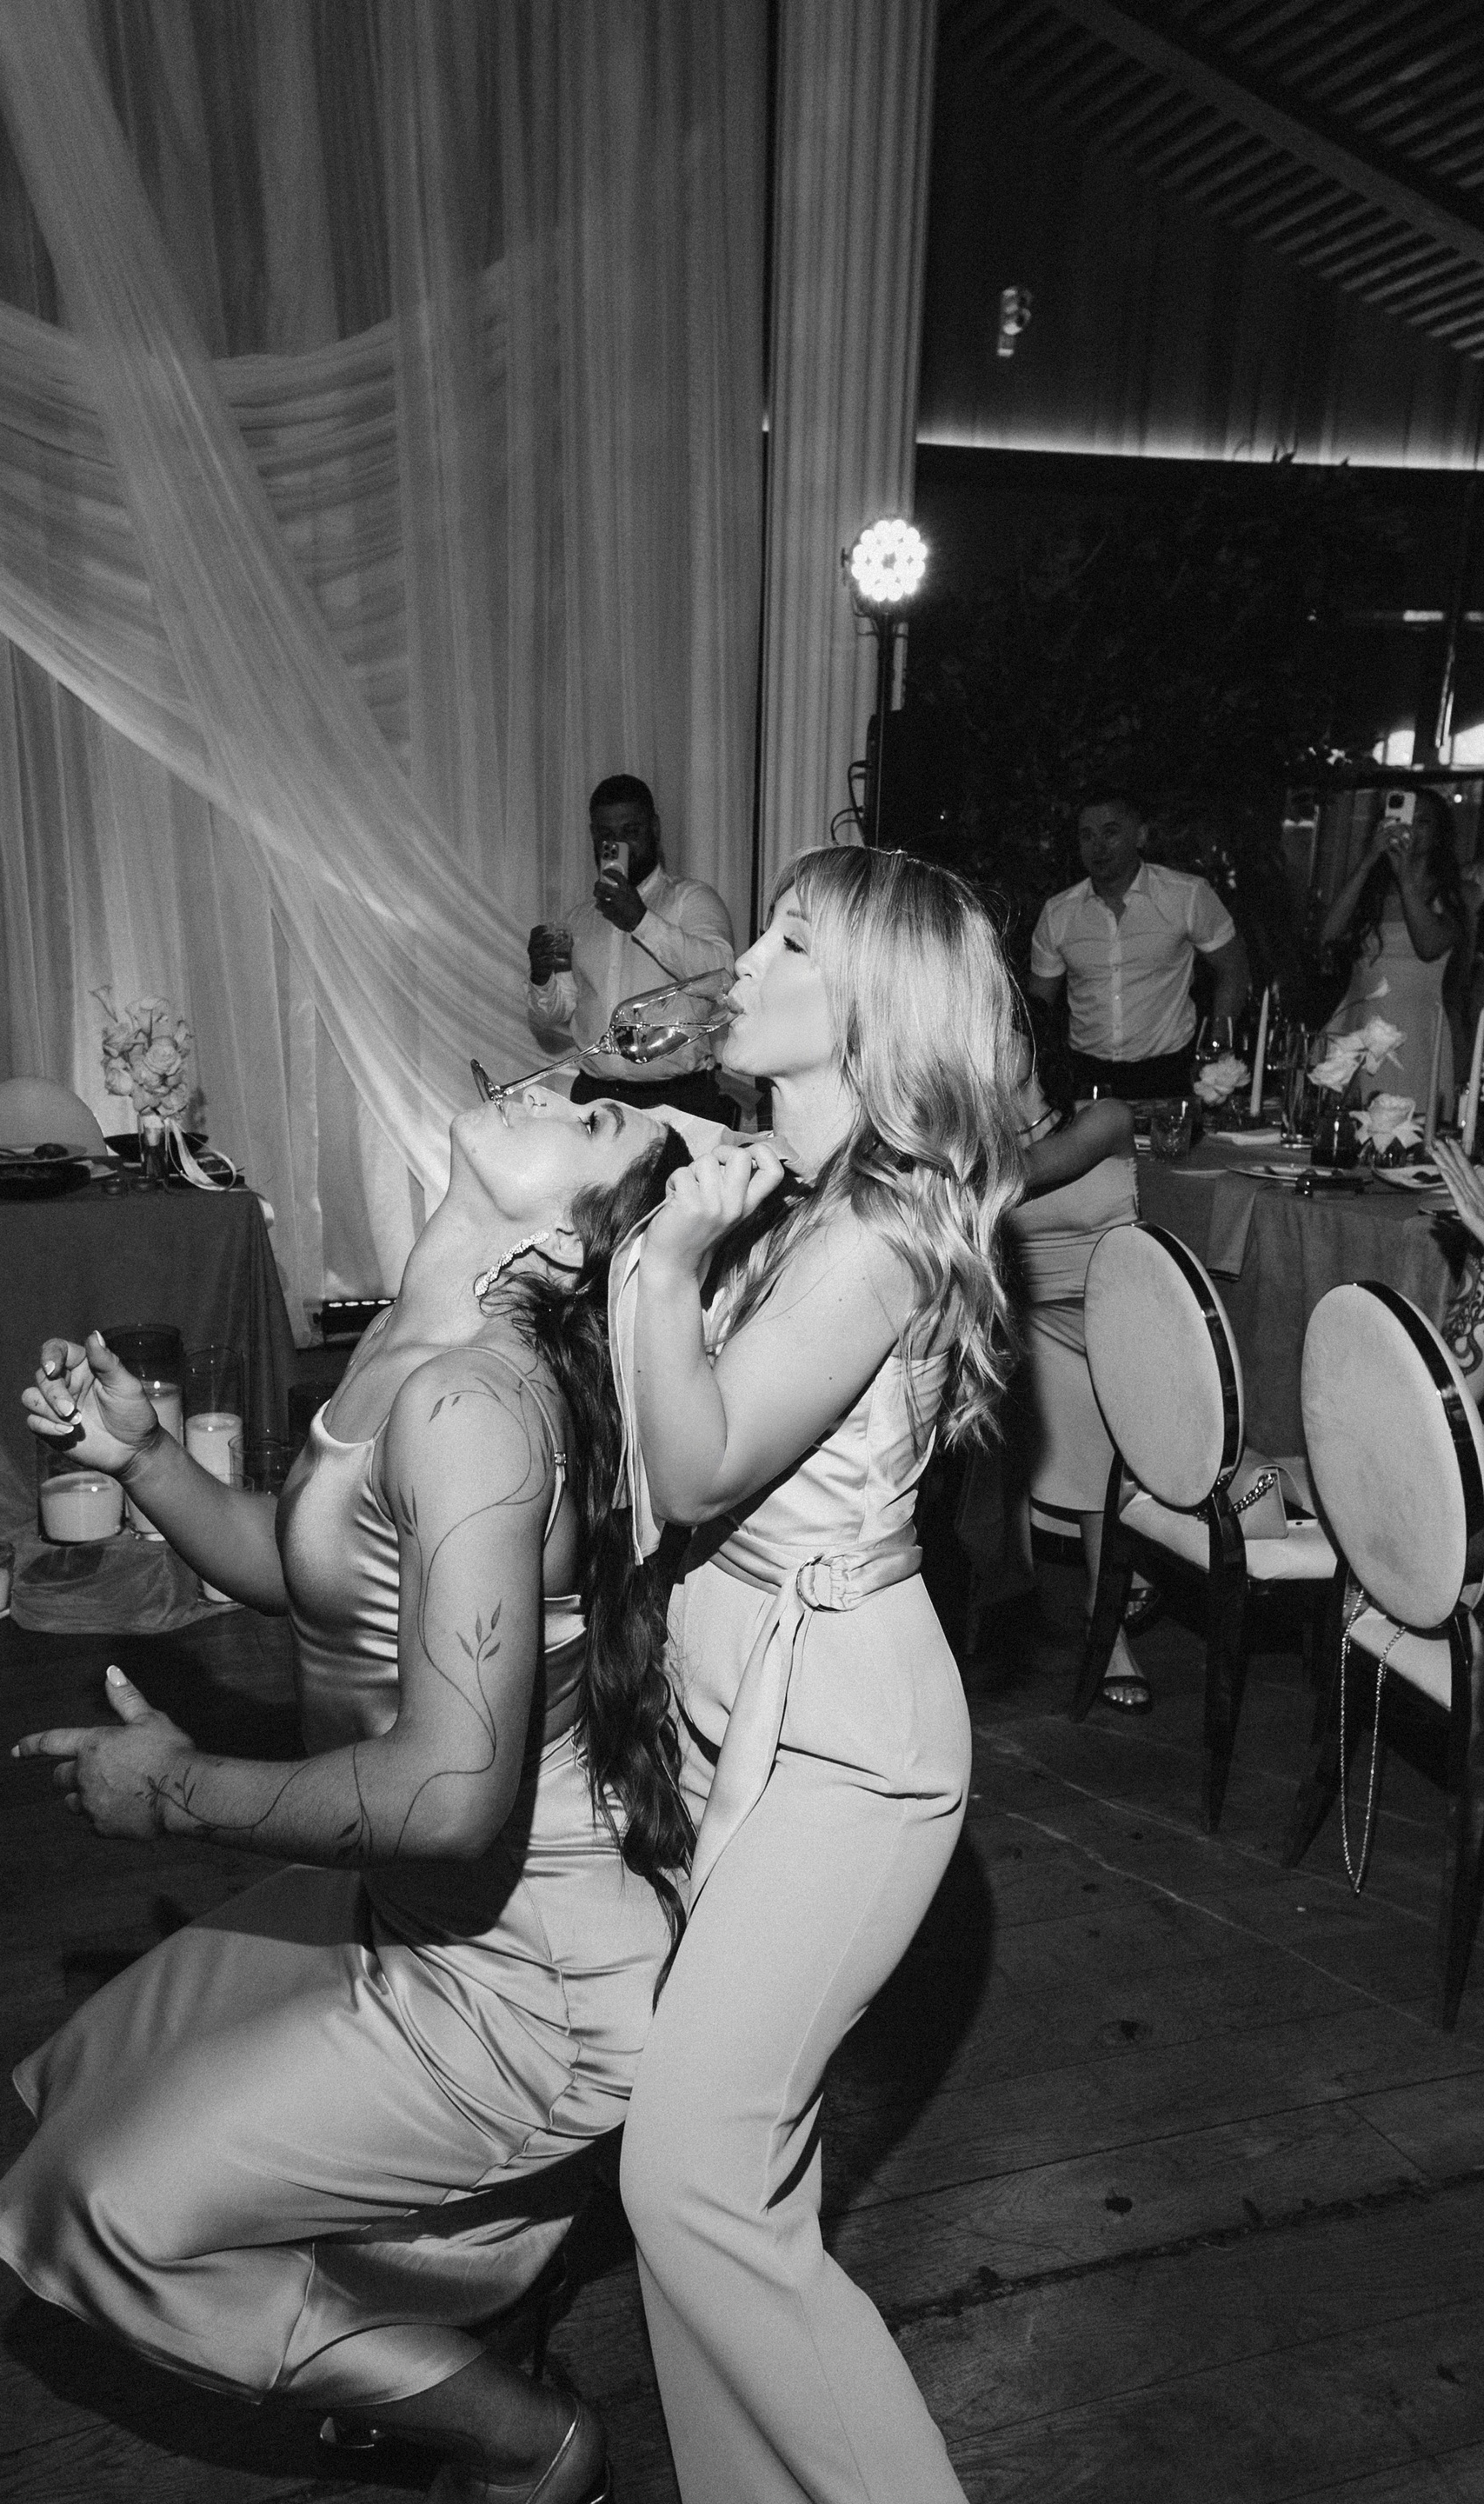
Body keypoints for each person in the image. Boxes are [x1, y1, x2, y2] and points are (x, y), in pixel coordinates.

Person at [0, 1088, 694, 2504]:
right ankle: (448, 2320)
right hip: (416, 1909)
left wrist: (176, 1790)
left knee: (100, 2207)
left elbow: (447, 1796)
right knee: (104, 2064)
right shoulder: (409, 1345)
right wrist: (143, 1456)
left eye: (599, 1120)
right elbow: (316, 1572)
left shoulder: (472, 1406)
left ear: (565, 1243)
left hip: (527, 1974)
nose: (561, 1087)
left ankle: (533, 2444)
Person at [613, 847, 1025, 2504]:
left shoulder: (874, 1230)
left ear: (866, 1008)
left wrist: (663, 1263)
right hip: (751, 1716)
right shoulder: (795, 1197)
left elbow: (699, 1464)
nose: (744, 961)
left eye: (789, 941)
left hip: (848, 1746)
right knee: (730, 2201)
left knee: (690, 2183)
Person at [1011, 1068, 1149, 1709]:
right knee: (1057, 1354)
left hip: (1123, 1308)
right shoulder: (971, 1135)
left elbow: (1038, 1166)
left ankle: (1116, 1579)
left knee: (1087, 1353)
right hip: (1034, 1317)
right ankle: (1107, 1608)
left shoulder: (1104, 1119)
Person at [527, 773, 735, 1125]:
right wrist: (541, 975)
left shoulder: (691, 899)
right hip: (595, 1098)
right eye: (606, 835)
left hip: (678, 1100)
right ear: (593, 837)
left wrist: (640, 920)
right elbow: (555, 1014)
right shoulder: (580, 918)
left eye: (630, 831)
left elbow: (723, 975)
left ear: (654, 829)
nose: (618, 844)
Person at [1029, 787, 1248, 1102]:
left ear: (1140, 835)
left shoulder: (1186, 895)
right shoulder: (1059, 913)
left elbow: (1233, 968)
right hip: (1087, 1074)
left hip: (1168, 1071)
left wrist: (1216, 1051)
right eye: (1087, 836)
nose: (1098, 847)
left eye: (1110, 833)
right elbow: (1038, 1006)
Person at [1319, 789, 1464, 1117]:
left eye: (1423, 822)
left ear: (1439, 834)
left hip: (1413, 1032)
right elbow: (1328, 935)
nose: (1410, 828)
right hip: (1358, 1026)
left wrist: (1405, 877)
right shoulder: (1372, 891)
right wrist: (1369, 860)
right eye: (1405, 818)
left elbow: (1429, 947)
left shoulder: (1453, 894)